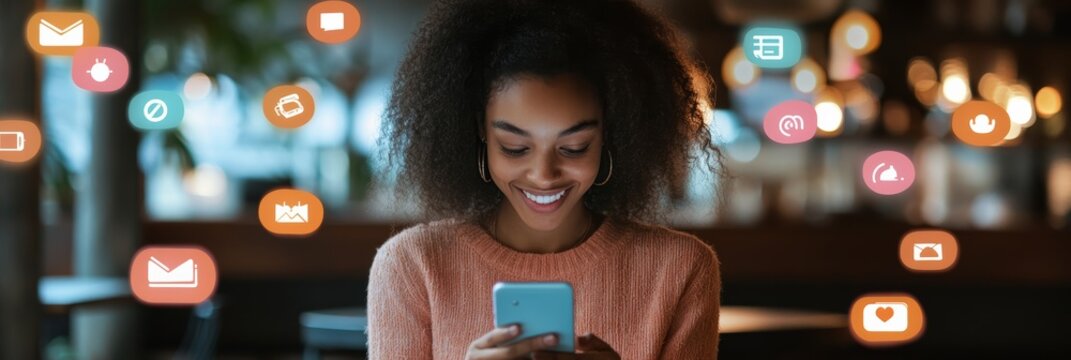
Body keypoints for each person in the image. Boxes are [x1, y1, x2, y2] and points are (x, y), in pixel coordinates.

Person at [368, 0, 723, 358]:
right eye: (514, 147)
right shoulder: (413, 265)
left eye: (574, 147)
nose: (543, 176)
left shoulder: (680, 269)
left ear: (609, 135)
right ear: (481, 132)